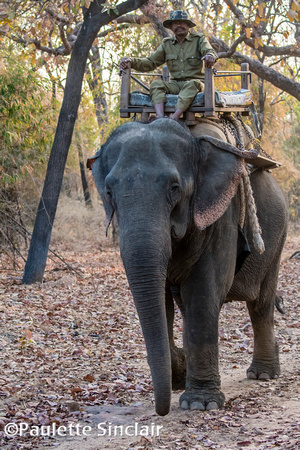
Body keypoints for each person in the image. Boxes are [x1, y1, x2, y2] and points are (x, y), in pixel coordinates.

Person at [119, 10, 218, 121]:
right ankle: (161, 118)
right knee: (156, 84)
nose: (179, 25)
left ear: (188, 25)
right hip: (175, 84)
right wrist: (131, 61)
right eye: (175, 23)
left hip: (197, 84)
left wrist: (210, 56)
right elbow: (150, 62)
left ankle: (174, 118)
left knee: (192, 84)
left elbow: (210, 51)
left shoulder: (199, 40)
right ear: (171, 27)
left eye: (182, 22)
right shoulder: (167, 44)